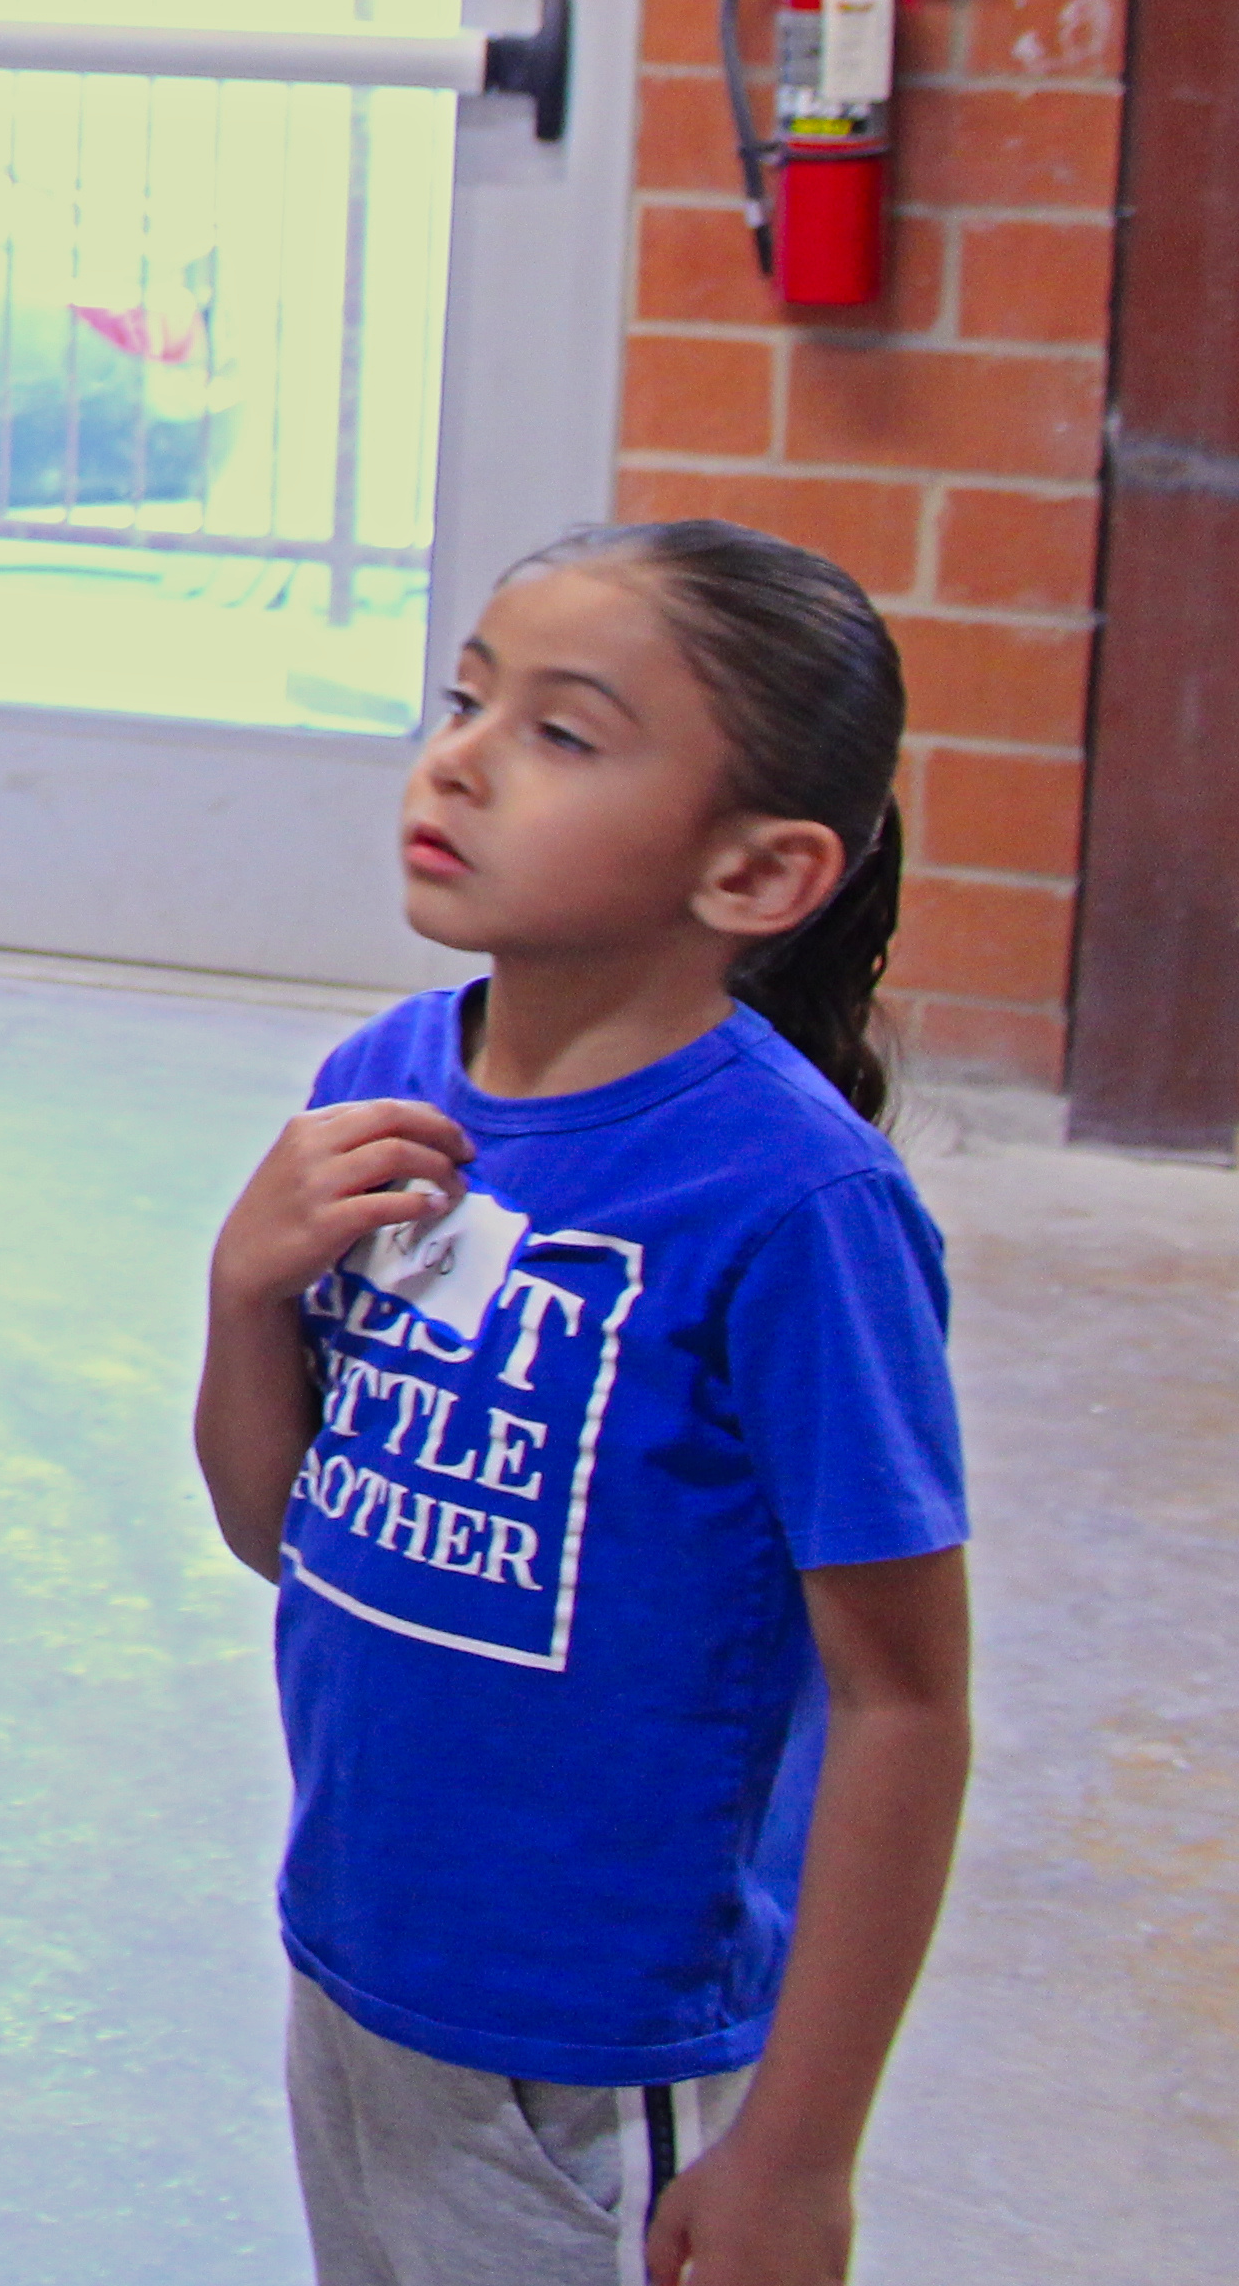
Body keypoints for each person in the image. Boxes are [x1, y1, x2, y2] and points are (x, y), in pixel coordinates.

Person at [192, 520, 969, 2286]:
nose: (458, 757)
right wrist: (246, 1294)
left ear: (761, 877)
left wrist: (799, 2156)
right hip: (363, 1967)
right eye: (468, 697)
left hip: (604, 2051)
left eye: (562, 732)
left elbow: (905, 1699)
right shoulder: (381, 1087)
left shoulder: (795, 1207)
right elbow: (287, 1539)